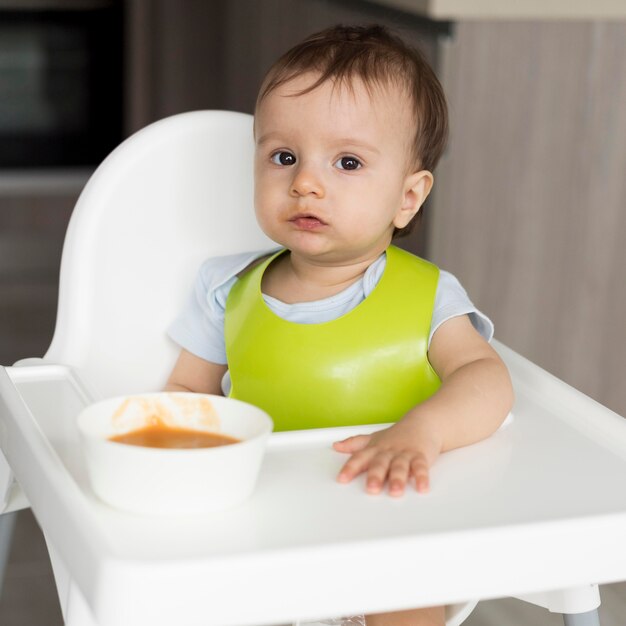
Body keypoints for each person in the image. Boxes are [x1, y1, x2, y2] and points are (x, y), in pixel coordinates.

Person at [166, 24, 514, 626]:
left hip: (387, 521)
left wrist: (421, 434)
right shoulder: (226, 289)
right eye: (283, 156)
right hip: (263, 528)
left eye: (347, 161)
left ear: (408, 197)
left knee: (411, 588)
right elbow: (187, 395)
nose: (305, 181)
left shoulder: (427, 295)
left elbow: (487, 380)